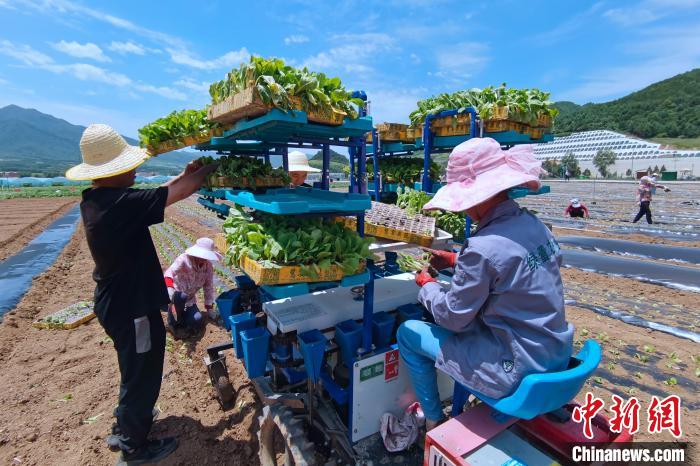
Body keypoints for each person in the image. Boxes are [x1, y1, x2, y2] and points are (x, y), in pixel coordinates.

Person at [396, 138, 574, 431]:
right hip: (553, 352)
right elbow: (511, 266)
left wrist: (427, 285)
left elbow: (454, 318)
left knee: (408, 333)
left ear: (477, 198)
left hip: (515, 368)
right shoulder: (533, 224)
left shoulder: (483, 247)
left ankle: (433, 420)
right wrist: (457, 259)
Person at [67, 124, 216, 464]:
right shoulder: (118, 205)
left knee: (133, 367)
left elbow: (160, 194)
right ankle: (134, 447)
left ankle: (127, 425)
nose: (134, 170)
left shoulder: (99, 200)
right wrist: (212, 170)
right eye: (128, 165)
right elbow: (176, 194)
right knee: (144, 371)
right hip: (131, 307)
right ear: (114, 171)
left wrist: (183, 174)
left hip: (115, 302)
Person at [164, 237, 221, 339]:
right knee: (181, 297)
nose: (203, 258)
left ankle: (181, 320)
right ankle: (172, 322)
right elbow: (169, 272)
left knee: (197, 319)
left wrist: (209, 308)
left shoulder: (208, 267)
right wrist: (169, 288)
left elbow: (208, 287)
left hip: (190, 299)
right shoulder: (184, 259)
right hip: (177, 296)